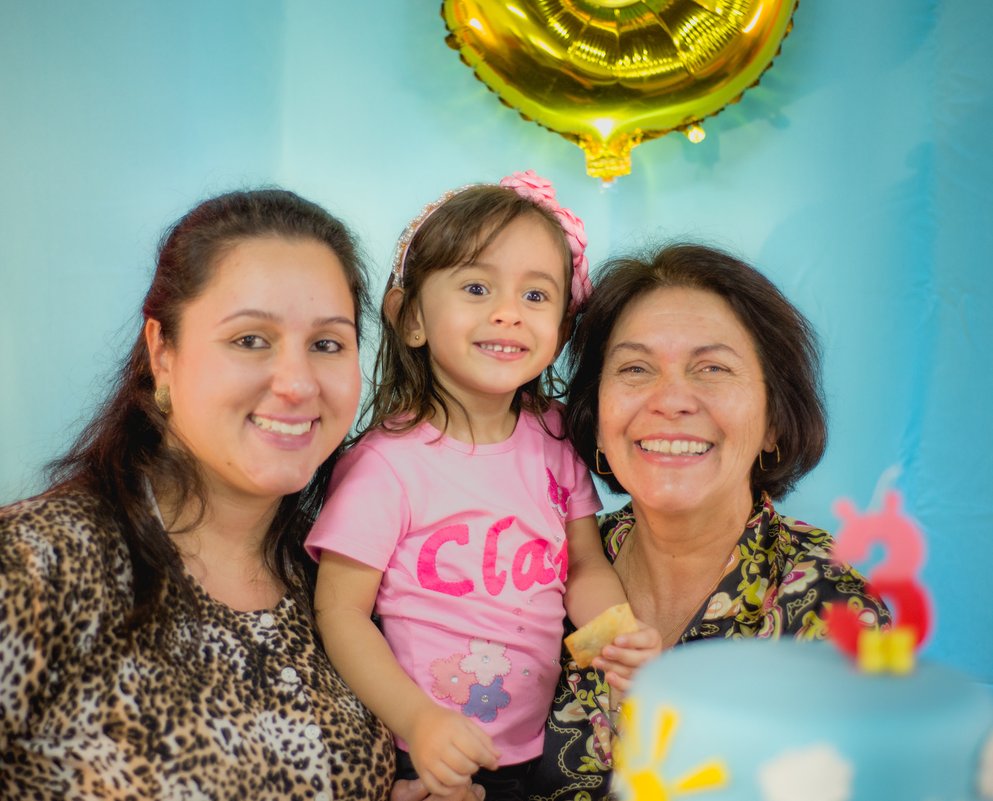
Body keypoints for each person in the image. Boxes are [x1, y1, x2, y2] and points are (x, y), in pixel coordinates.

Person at [0, 190, 397, 800]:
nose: (298, 384)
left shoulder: (338, 580)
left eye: (327, 344)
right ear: (162, 352)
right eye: (250, 339)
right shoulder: (28, 573)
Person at [307, 172, 661, 801]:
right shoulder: (386, 465)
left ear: (560, 331)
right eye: (476, 287)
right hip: (423, 754)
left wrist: (616, 640)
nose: (508, 312)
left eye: (536, 295)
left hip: (539, 748)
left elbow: (582, 565)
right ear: (411, 318)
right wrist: (418, 721)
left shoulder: (554, 439)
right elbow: (340, 611)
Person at [526, 244, 892, 800]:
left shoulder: (831, 610)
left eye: (712, 368)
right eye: (635, 368)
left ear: (774, 422)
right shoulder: (536, 572)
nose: (671, 400)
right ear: (596, 419)